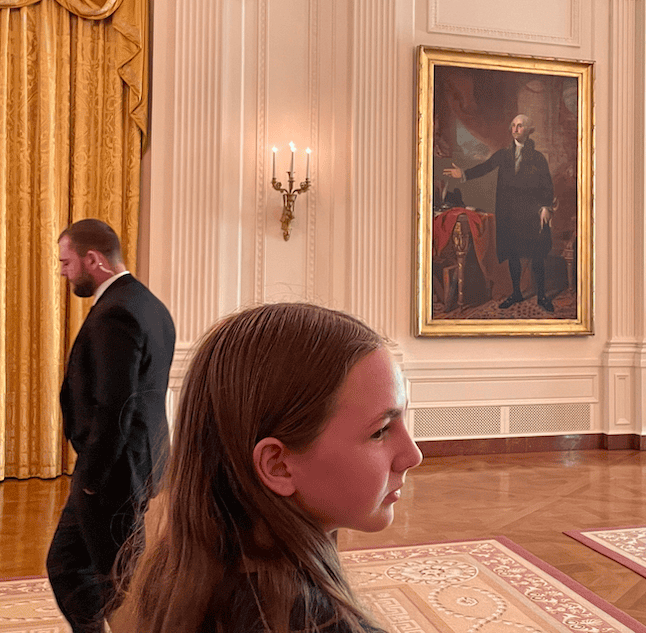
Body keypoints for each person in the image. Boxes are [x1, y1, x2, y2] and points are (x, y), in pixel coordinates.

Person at [119, 302, 423, 633]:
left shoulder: (176, 577)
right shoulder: (319, 623)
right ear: (278, 465)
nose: (413, 455)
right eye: (380, 431)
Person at [47, 219, 176, 633]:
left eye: (67, 263)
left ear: (93, 259)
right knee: (72, 564)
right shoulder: (149, 303)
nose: (64, 272)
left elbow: (113, 408)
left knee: (117, 582)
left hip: (112, 474)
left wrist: (90, 479)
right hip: (137, 464)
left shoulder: (115, 313)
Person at [444, 114, 555, 312]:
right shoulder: (503, 155)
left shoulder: (538, 158)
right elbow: (485, 167)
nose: (515, 128)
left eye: (520, 126)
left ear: (528, 130)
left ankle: (542, 296)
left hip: (531, 213)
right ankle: (516, 293)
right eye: (513, 125)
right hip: (510, 214)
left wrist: (546, 207)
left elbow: (547, 185)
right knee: (513, 254)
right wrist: (464, 174)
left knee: (536, 255)